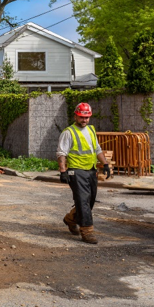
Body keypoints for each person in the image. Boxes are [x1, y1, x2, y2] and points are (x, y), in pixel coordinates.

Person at [58, 102, 111, 244]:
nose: (84, 120)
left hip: (91, 170)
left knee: (90, 201)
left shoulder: (91, 130)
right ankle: (87, 231)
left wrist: (105, 164)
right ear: (76, 116)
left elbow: (97, 149)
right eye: (81, 117)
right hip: (76, 171)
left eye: (87, 118)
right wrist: (63, 171)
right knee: (82, 201)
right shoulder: (68, 132)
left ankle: (70, 219)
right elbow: (61, 153)